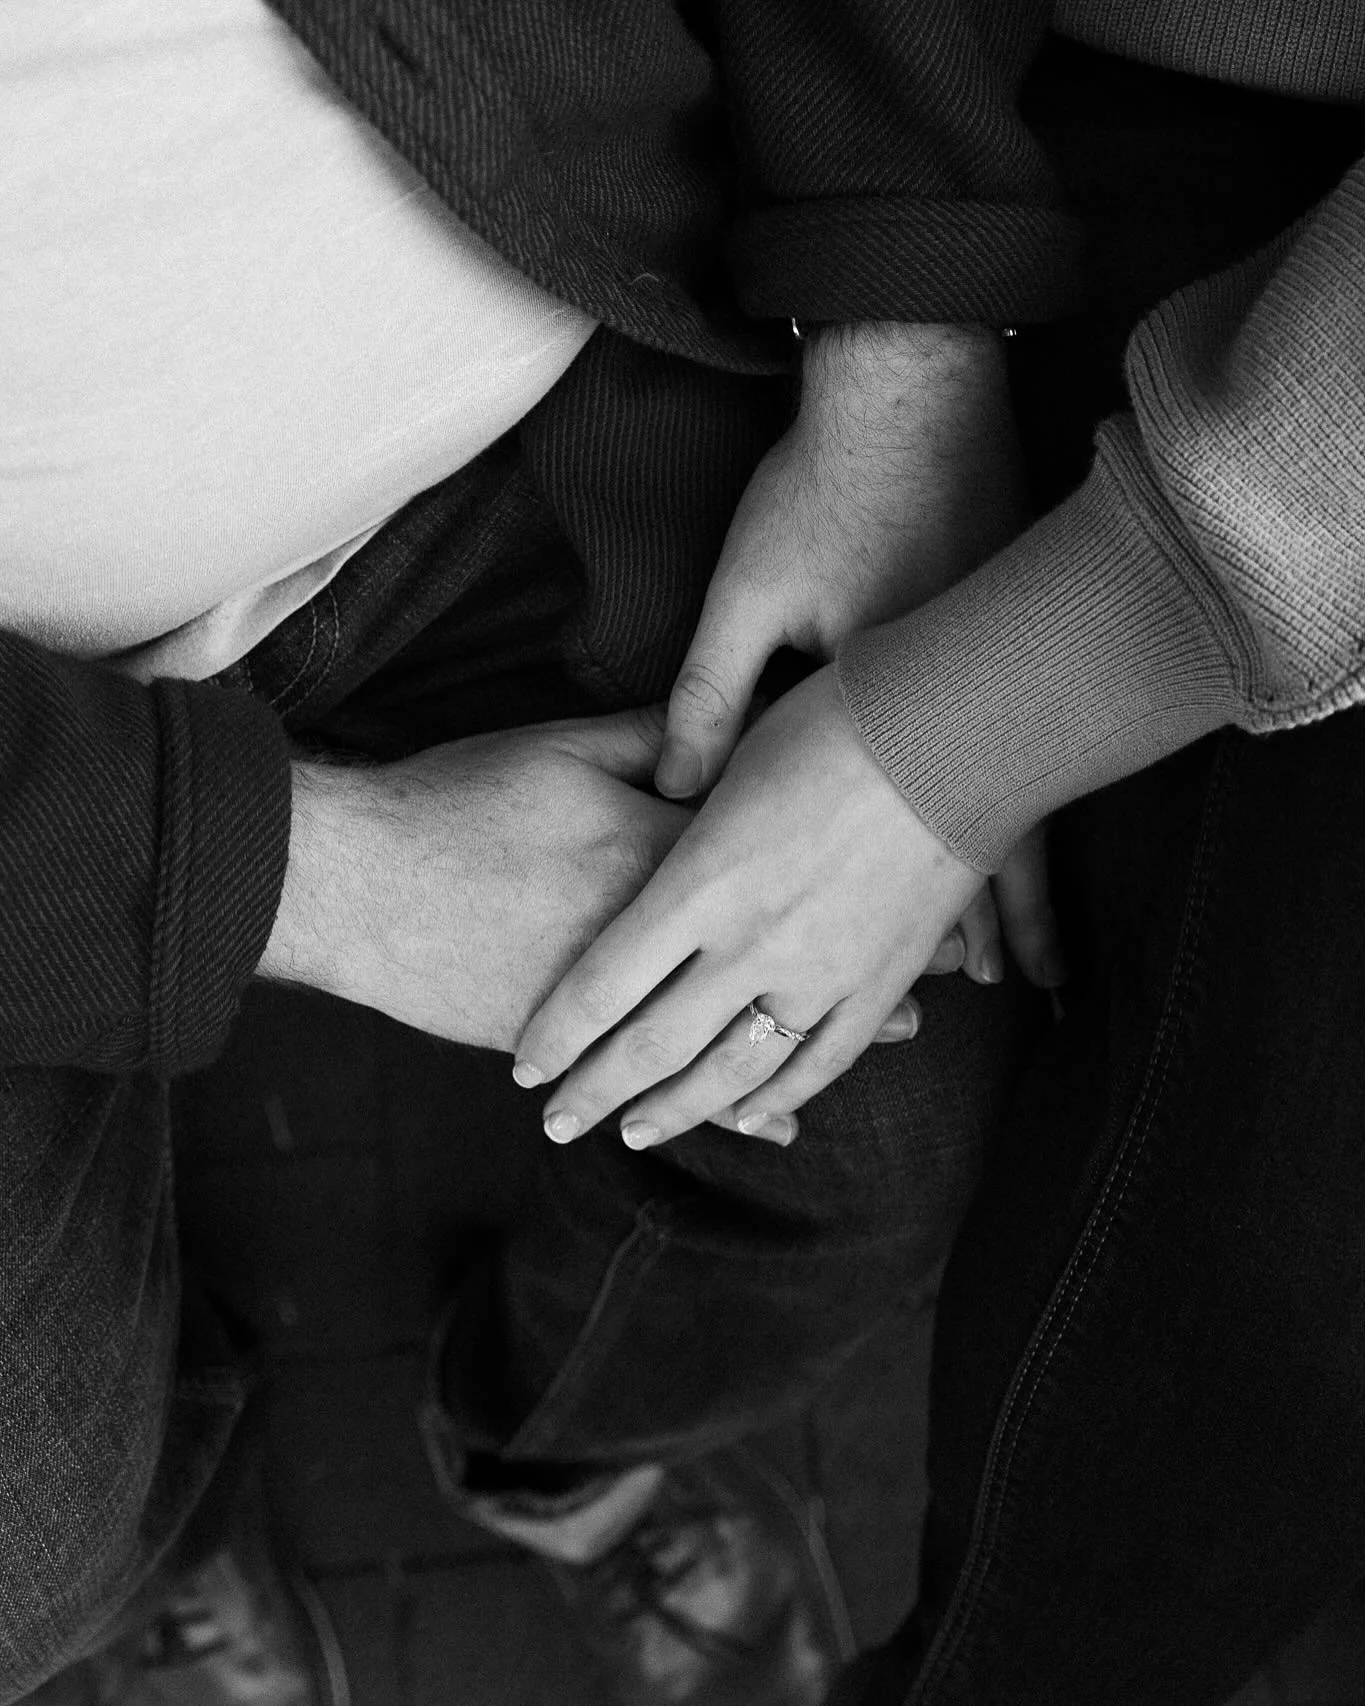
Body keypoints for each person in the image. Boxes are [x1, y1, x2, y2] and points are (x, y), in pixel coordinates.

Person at [1, 3, 1062, 1703]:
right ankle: (144, 1517)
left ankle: (561, 1458)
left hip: (537, 335)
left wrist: (908, 333)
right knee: (18, 1532)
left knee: (882, 1096)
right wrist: (302, 877)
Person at [514, 7, 1365, 1704]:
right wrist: (903, 314)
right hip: (1103, 84)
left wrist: (959, 738)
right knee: (861, 1087)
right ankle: (545, 1473)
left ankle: (545, 1469)